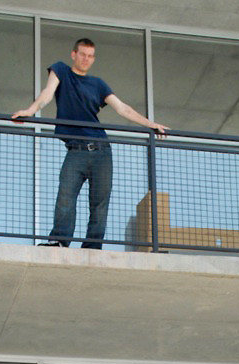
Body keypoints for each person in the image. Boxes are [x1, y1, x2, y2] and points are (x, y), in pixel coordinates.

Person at [12, 39, 168, 249]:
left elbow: (123, 109)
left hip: (101, 151)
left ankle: (93, 247)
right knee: (65, 198)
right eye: (83, 54)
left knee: (99, 204)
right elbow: (47, 94)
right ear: (73, 54)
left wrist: (151, 124)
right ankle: (59, 241)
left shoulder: (98, 84)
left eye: (90, 56)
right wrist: (30, 111)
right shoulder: (61, 71)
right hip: (75, 151)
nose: (86, 59)